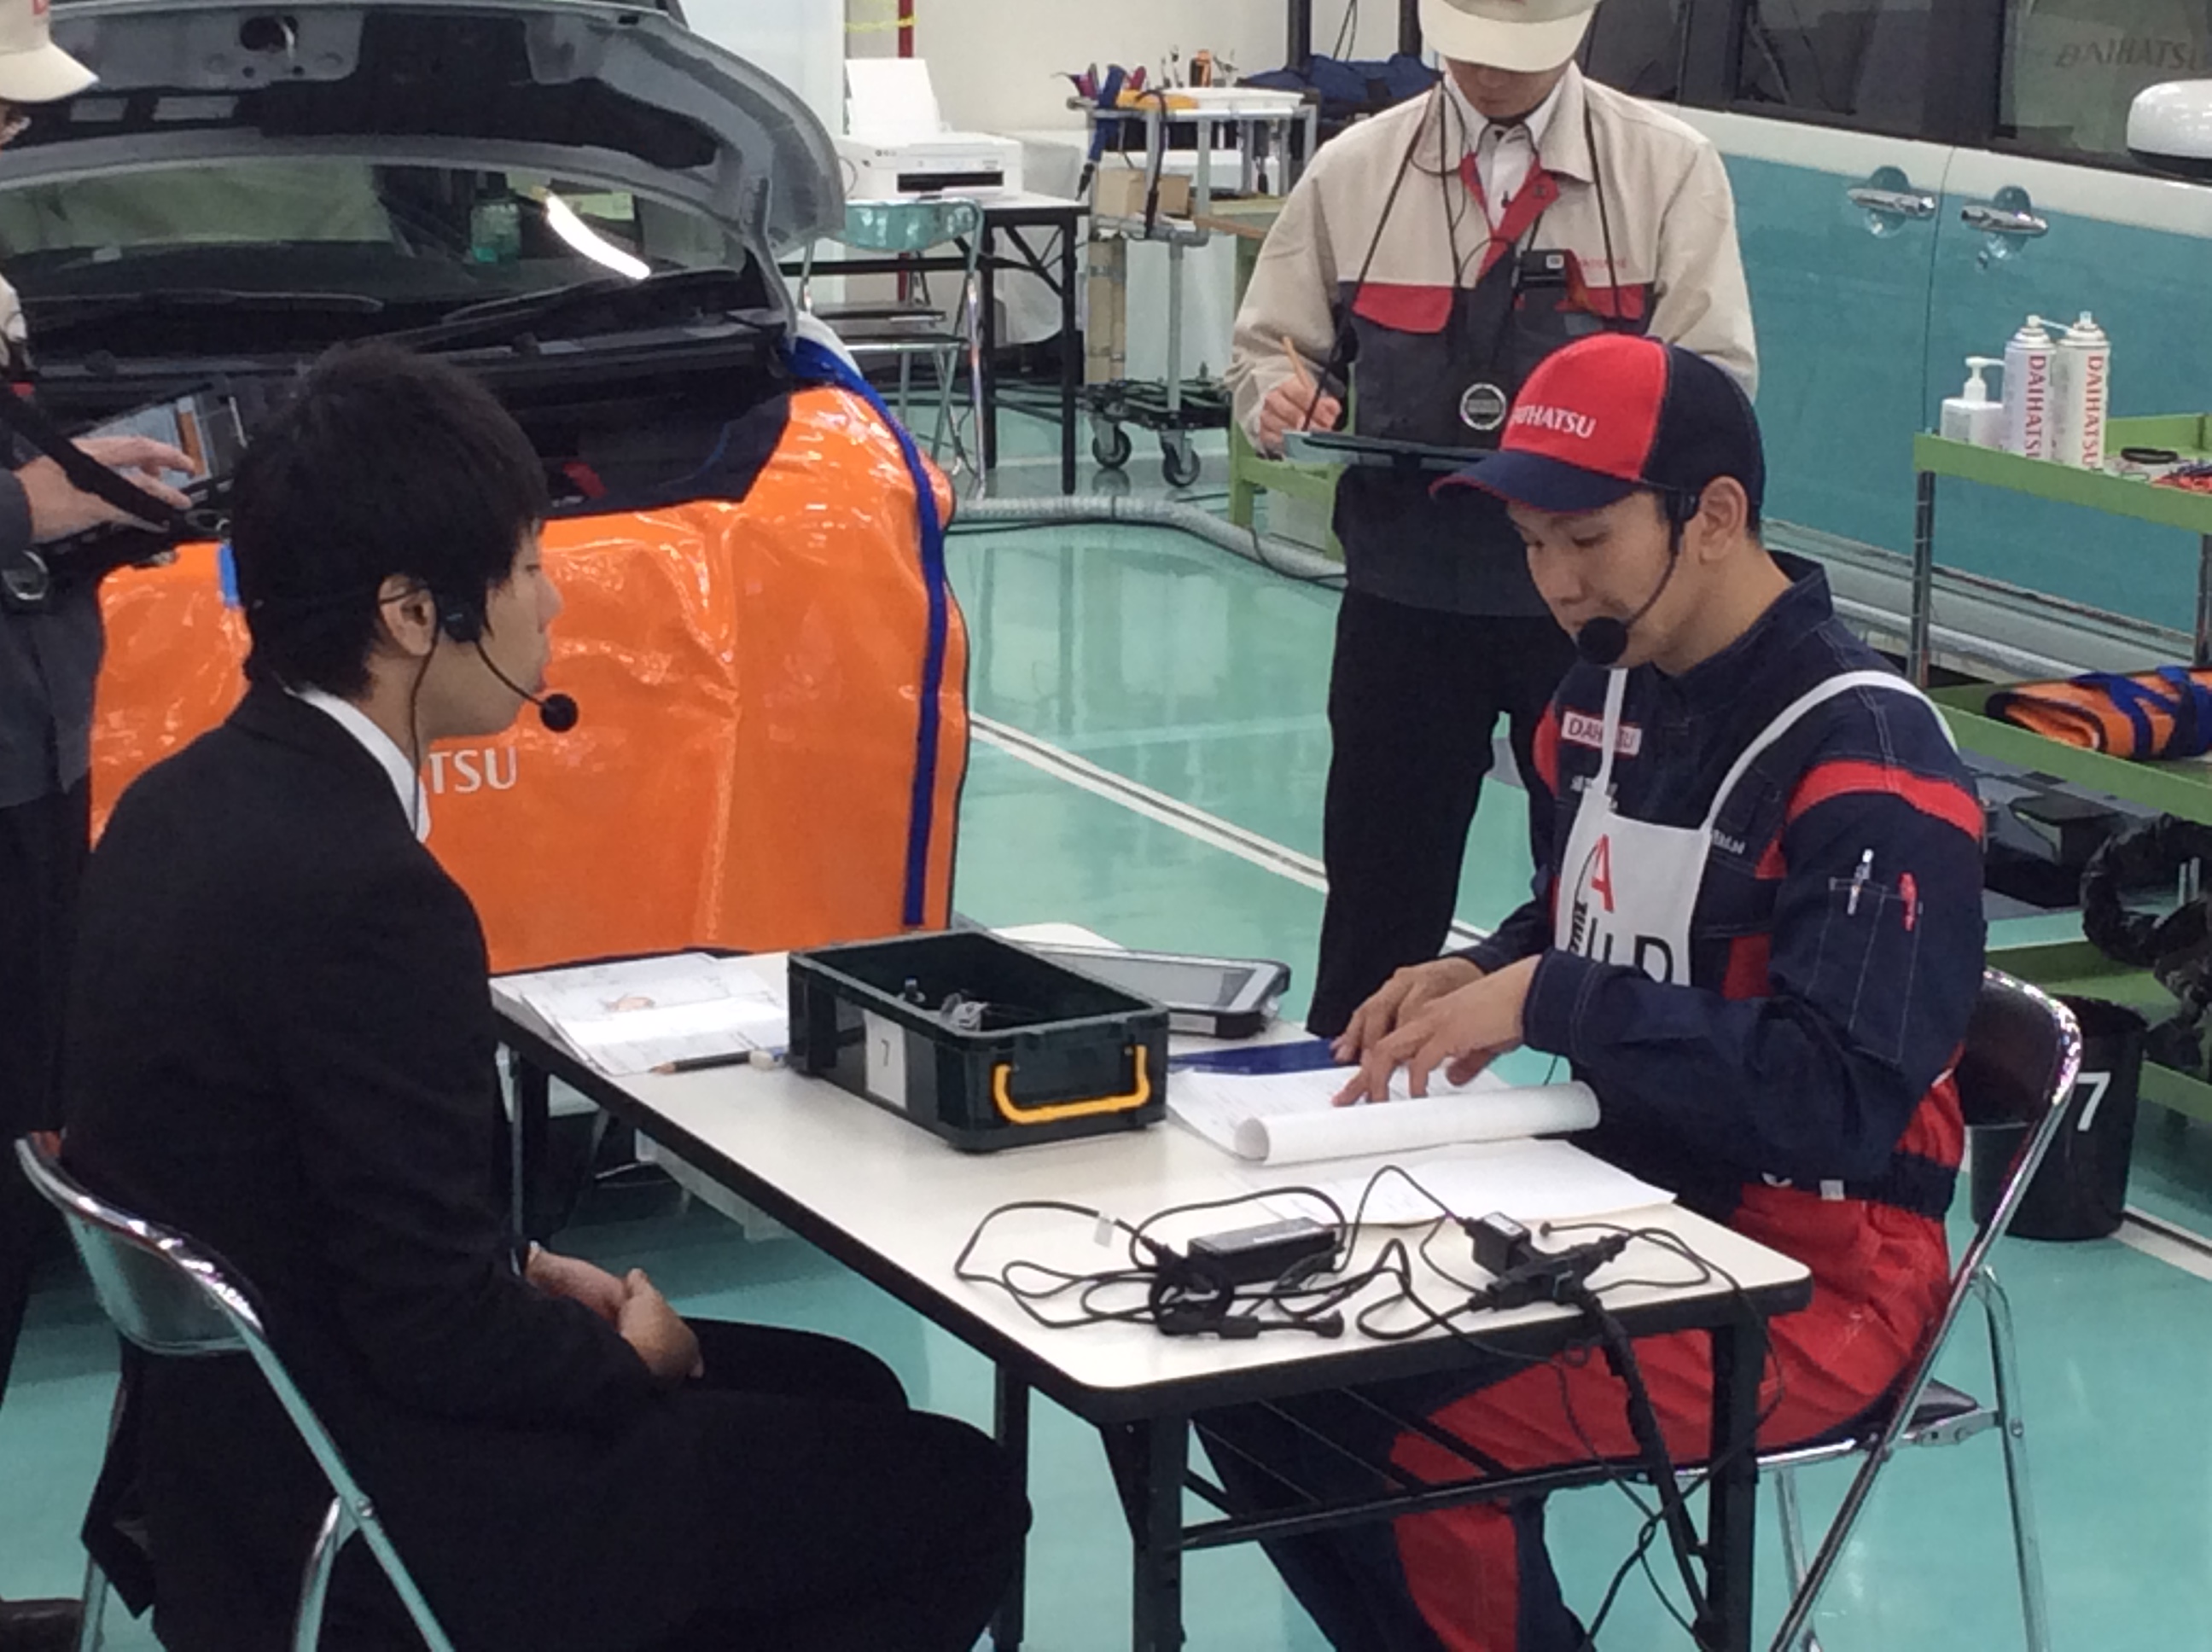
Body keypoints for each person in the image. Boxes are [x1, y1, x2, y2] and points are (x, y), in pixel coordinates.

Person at [59, 345, 1027, 1652]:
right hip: (388, 1506)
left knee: (844, 1382)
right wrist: (627, 1357)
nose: (553, 605)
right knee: (957, 1495)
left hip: (228, 1472)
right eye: (522, 568)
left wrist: (516, 1271)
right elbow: (435, 1337)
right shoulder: (364, 896)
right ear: (415, 613)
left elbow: (304, 1189)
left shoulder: (173, 809)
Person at [1204, 334, 1986, 1650]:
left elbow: (1836, 1097)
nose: (1555, 584)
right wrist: (1482, 964)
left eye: (1586, 542)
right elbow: (1587, 914)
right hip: (1615, 1204)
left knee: (1390, 1429)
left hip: (1816, 1279)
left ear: (1717, 517)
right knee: (1235, 1383)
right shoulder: (1600, 702)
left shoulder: (1872, 758)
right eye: (1531, 545)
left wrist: (1552, 1000)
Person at [1225, 0, 1758, 1038]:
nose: (1493, 78)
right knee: (1380, 894)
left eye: (1520, 56)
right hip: (1404, 599)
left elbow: (1716, 385)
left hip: (1596, 612)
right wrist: (1279, 401)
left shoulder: (1667, 169)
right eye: (1470, 53)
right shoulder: (1358, 170)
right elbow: (1266, 348)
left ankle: (1617, 1117)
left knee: (1605, 895)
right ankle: (1346, 1121)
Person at [0, 6, 198, 1647]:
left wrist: (84, 505)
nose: (13, 133)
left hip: (29, 762)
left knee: (24, 1169)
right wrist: (27, 509)